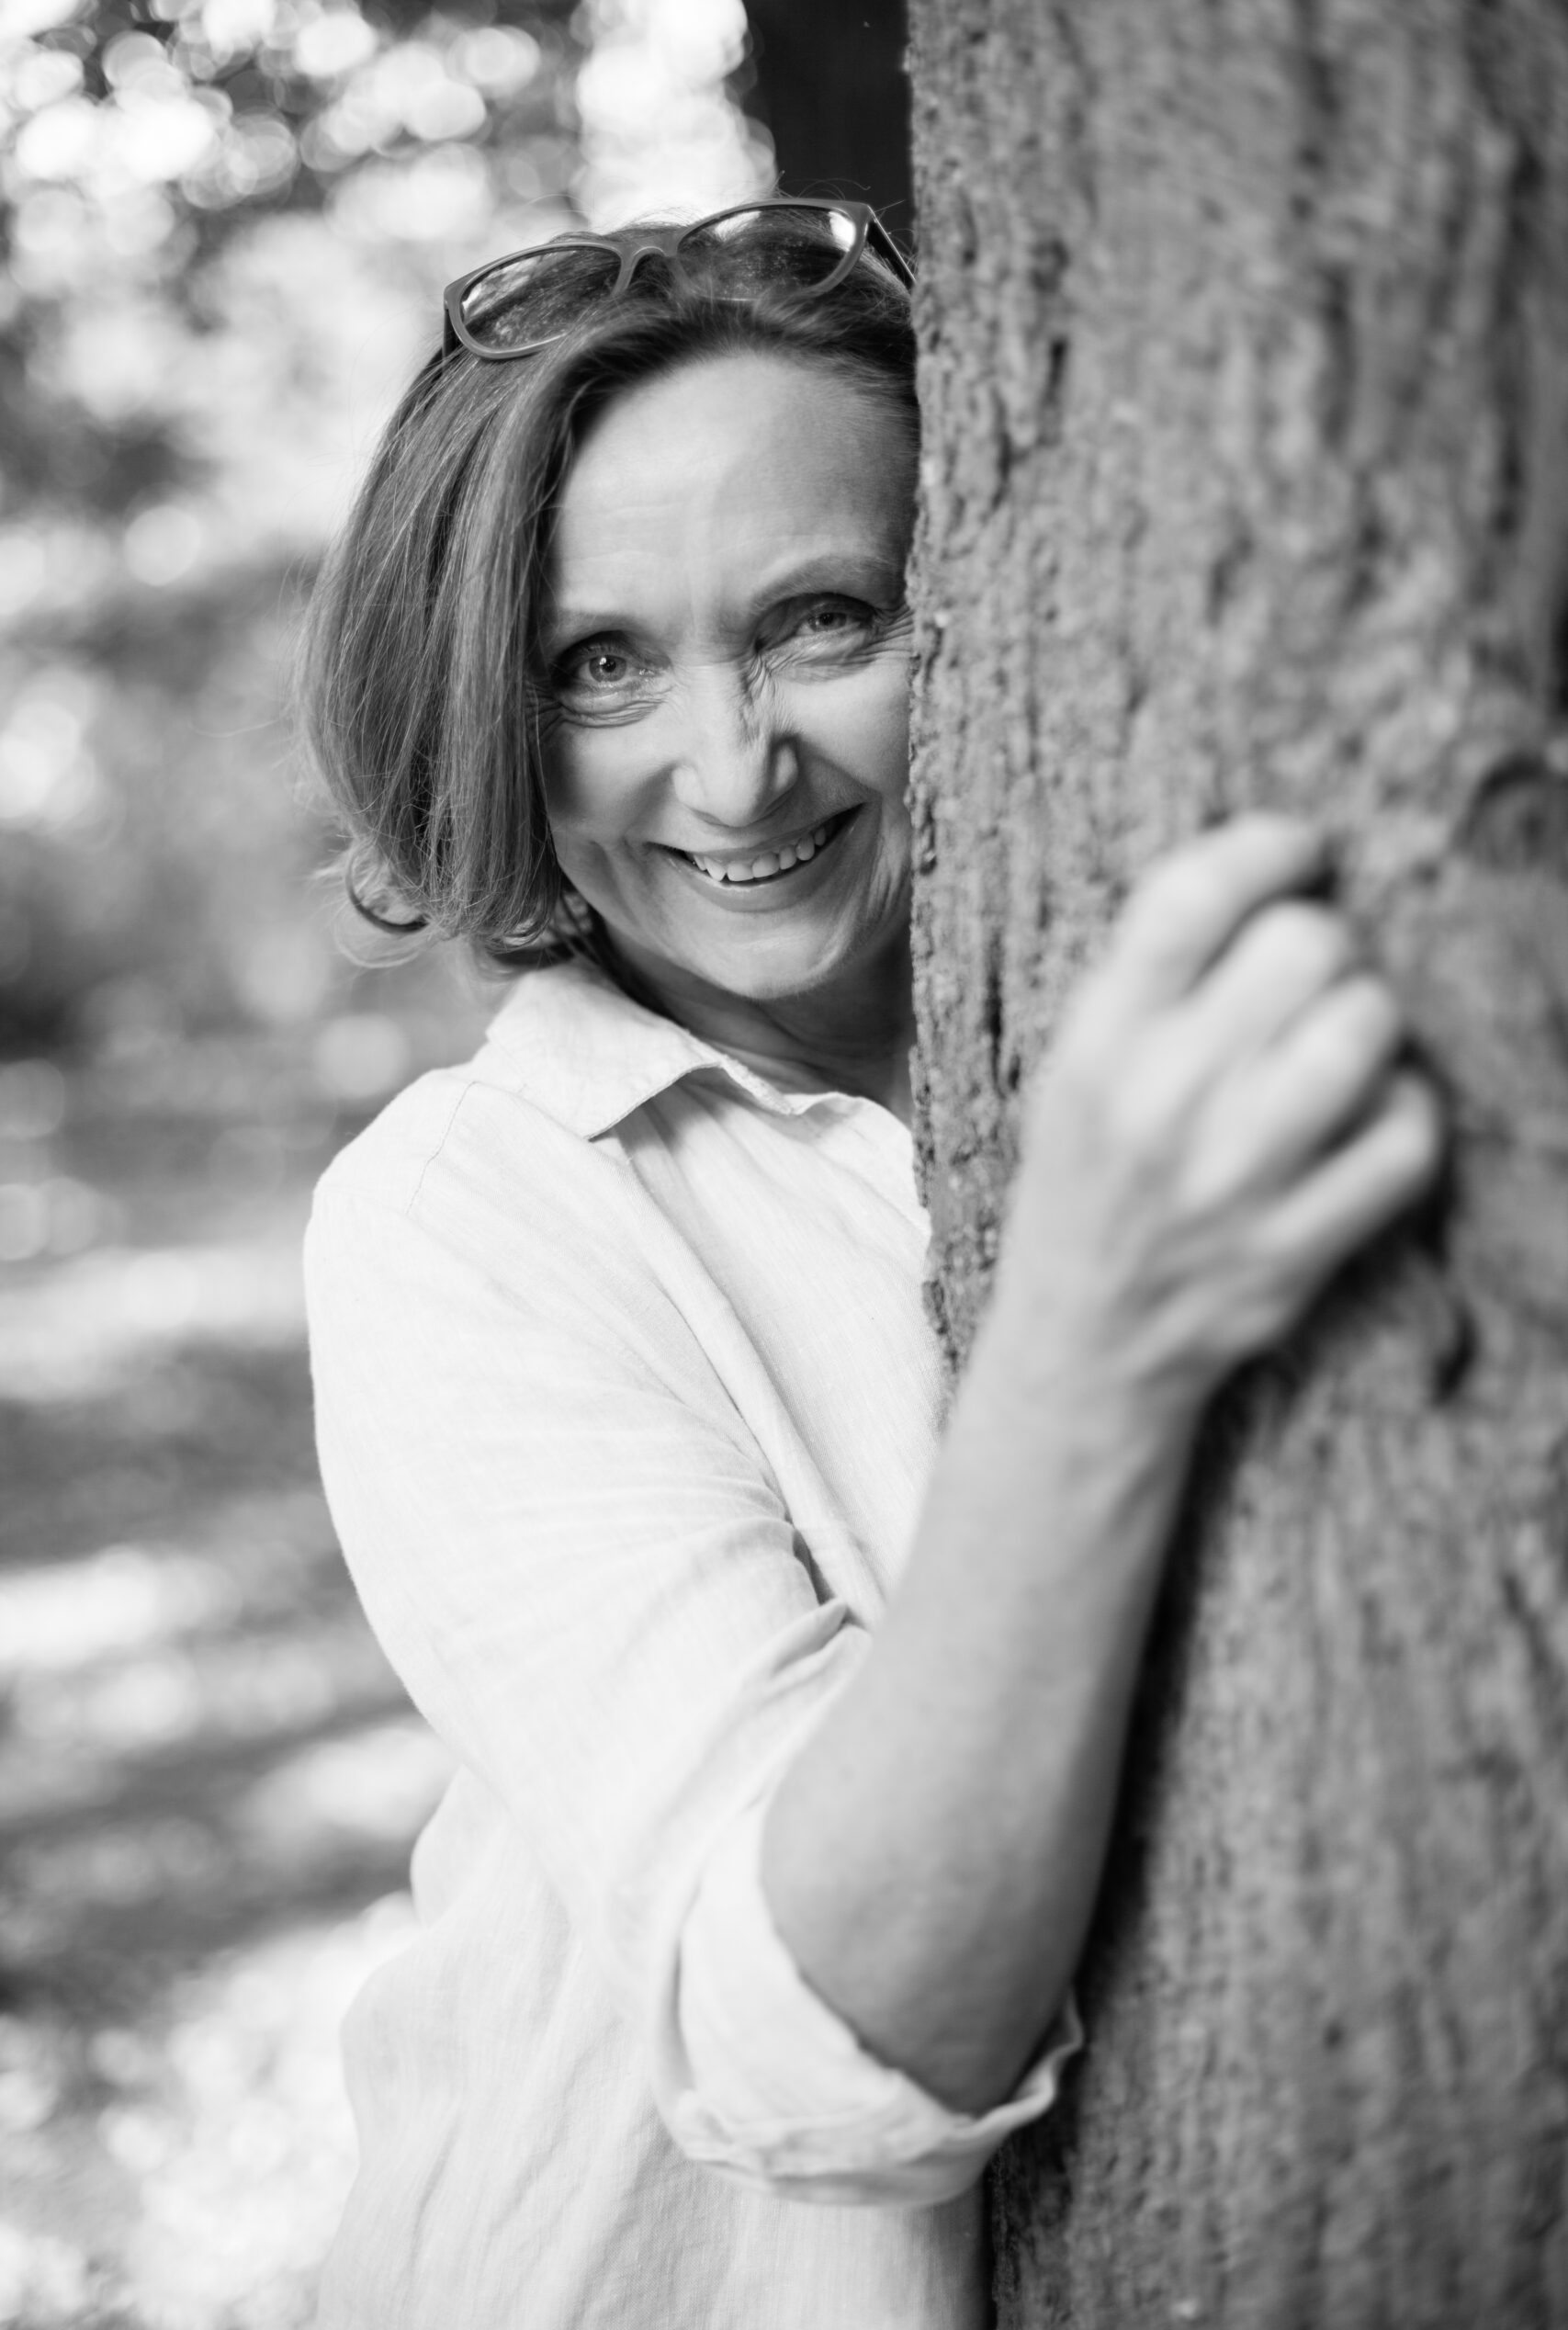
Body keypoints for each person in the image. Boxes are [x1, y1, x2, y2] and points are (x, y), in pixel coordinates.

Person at [299, 201, 1442, 2329]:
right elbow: (808, 2064)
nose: (731, 768)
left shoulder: (1170, 1013)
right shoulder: (470, 1211)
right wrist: (1090, 1338)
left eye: (821, 618)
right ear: (483, 704)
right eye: (598, 663)